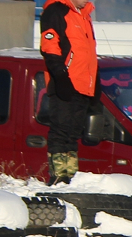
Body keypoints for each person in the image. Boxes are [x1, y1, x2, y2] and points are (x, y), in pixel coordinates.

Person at [39, 0, 99, 184]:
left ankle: (70, 176)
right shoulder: (57, 10)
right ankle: (58, 176)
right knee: (61, 130)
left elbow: (88, 53)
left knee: (73, 133)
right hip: (65, 81)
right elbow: (49, 46)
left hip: (83, 84)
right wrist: (60, 75)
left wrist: (95, 82)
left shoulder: (85, 16)